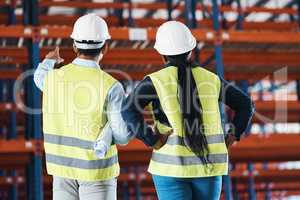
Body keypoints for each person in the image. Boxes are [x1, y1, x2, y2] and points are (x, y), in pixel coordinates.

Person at [33, 13, 166, 200]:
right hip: (96, 172)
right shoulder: (111, 86)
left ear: (74, 46)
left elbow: (38, 77)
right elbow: (121, 136)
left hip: (61, 170)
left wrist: (49, 60)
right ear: (105, 47)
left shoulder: (53, 78)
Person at [121, 21, 255, 200]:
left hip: (170, 168)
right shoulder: (212, 79)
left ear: (162, 54)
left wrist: (152, 139)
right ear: (191, 51)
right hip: (209, 168)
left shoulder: (155, 81)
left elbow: (127, 110)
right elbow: (245, 104)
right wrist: (233, 135)